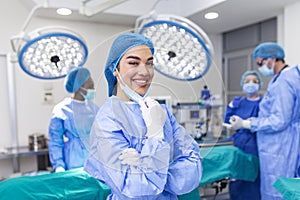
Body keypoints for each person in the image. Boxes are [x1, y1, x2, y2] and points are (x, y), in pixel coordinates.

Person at [84, 32, 202, 199]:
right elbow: (136, 191)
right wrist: (155, 137)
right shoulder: (107, 120)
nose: (145, 72)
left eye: (150, 63)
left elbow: (192, 167)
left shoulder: (160, 112)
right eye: (133, 63)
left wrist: (148, 166)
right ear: (114, 69)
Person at [229, 42, 300, 200]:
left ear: (272, 59)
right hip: (280, 145)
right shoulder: (284, 78)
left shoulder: (284, 82)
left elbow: (279, 120)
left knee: (276, 192)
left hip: (279, 148)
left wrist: (247, 124)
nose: (261, 67)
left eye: (261, 62)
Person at [48, 67, 99, 172]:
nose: (92, 90)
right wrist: (58, 165)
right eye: (90, 86)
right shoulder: (62, 109)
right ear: (79, 87)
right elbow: (55, 141)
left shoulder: (94, 108)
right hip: (73, 160)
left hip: (95, 159)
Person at [224, 70, 263, 200]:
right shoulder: (238, 102)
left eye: (254, 81)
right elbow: (227, 121)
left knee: (252, 179)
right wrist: (231, 112)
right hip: (238, 143)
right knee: (237, 178)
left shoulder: (264, 103)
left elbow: (266, 124)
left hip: (256, 145)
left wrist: (247, 124)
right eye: (247, 81)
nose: (251, 84)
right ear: (242, 84)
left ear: (259, 84)